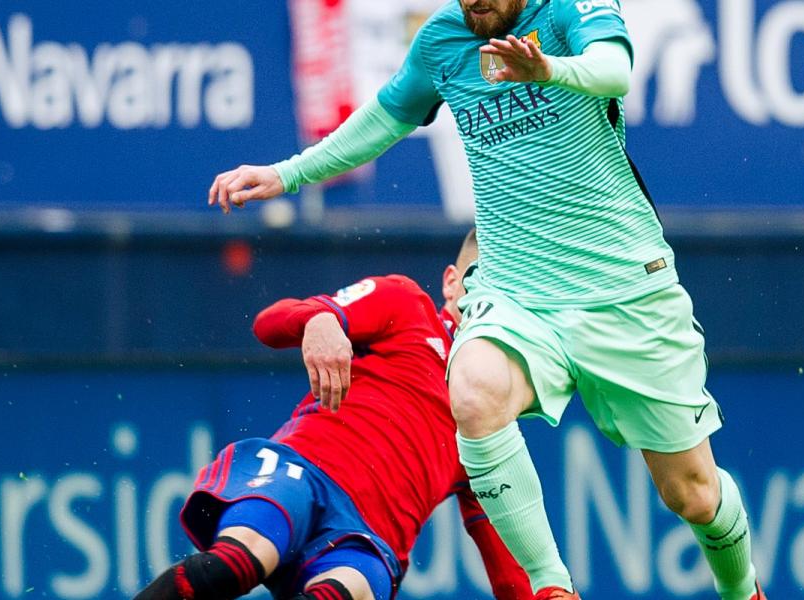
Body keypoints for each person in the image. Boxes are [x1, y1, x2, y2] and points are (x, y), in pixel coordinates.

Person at [205, 2, 766, 599]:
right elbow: (385, 118)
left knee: (693, 493)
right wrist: (288, 174)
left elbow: (614, 69)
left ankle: (741, 591)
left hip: (624, 287)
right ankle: (552, 587)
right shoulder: (444, 40)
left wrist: (549, 69)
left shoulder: (569, 10)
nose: (472, 3)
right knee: (471, 391)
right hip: (515, 288)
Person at [134, 232, 531, 600]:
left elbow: (512, 574)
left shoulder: (492, 420)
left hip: (365, 539)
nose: (494, 302)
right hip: (300, 475)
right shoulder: (407, 305)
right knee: (237, 563)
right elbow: (268, 325)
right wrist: (318, 318)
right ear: (450, 282)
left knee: (342, 593)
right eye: (484, 280)